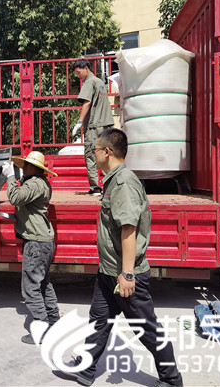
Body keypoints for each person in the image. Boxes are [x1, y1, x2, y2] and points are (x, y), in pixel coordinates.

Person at [63, 129, 183, 387]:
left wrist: (127, 274)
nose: (93, 154)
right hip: (108, 271)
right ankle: (86, 369)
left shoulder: (123, 183)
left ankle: (172, 379)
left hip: (125, 274)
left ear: (107, 152)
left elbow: (129, 229)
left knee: (145, 328)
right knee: (99, 320)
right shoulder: (112, 180)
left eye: (96, 149)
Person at [1, 151, 60, 344]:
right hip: (42, 242)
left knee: (31, 288)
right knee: (43, 285)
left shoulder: (35, 184)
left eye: (25, 165)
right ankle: (53, 322)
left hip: (36, 243)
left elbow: (15, 198)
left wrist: (10, 177)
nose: (23, 168)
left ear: (34, 168)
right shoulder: (39, 183)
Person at [71, 59, 114, 196]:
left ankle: (95, 188)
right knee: (106, 154)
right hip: (105, 124)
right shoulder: (100, 82)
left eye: (79, 72)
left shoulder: (89, 82)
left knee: (91, 155)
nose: (78, 76)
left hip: (94, 126)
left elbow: (87, 102)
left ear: (86, 68)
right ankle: (110, 185)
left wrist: (79, 121)